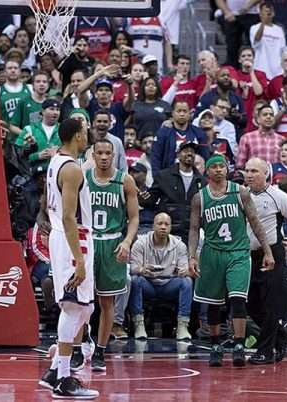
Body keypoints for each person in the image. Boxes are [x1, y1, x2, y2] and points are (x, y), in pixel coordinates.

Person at [188, 154, 274, 367]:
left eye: (221, 166)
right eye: (213, 166)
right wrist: (191, 256)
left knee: (237, 299)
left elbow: (255, 222)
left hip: (238, 252)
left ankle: (238, 344)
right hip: (212, 253)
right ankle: (216, 344)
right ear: (207, 172)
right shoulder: (200, 197)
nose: (218, 170)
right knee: (214, 302)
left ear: (227, 169)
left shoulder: (241, 192)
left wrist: (268, 251)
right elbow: (192, 229)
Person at [38, 119, 98, 398]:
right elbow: (68, 216)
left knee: (85, 309)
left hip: (67, 238)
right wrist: (80, 260)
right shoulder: (71, 169)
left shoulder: (59, 160)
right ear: (76, 136)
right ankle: (63, 379)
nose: (88, 136)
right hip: (73, 239)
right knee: (74, 307)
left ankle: (53, 371)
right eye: (85, 132)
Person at [243, 158, 287, 364]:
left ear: (266, 174)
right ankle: (281, 333)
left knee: (272, 303)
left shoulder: (277, 196)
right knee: (251, 304)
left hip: (272, 253)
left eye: (254, 171)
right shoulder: (240, 195)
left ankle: (265, 351)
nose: (249, 174)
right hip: (247, 255)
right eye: (246, 170)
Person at [86, 138, 140, 371]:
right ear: (93, 155)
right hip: (88, 242)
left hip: (112, 243)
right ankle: (79, 348)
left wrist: (127, 241)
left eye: (109, 152)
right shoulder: (83, 178)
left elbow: (135, 217)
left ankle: (100, 349)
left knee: (106, 301)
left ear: (115, 155)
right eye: (101, 152)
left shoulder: (124, 180)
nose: (105, 156)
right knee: (81, 302)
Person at [129, 212, 192, 340]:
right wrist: (142, 269)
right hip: (148, 283)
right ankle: (139, 324)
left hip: (169, 284)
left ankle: (183, 326)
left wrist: (183, 271)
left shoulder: (179, 245)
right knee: (135, 280)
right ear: (153, 226)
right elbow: (133, 268)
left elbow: (185, 268)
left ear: (170, 228)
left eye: (166, 224)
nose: (163, 227)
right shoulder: (140, 243)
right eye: (159, 223)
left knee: (187, 281)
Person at [142, 142, 205, 240]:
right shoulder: (164, 176)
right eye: (185, 151)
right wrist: (142, 198)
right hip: (168, 232)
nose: (189, 154)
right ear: (178, 154)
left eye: (192, 151)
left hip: (192, 233)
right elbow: (150, 201)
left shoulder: (202, 181)